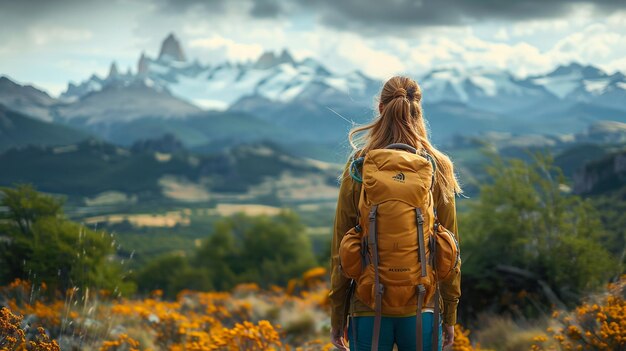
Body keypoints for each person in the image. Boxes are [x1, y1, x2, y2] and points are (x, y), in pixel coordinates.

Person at [329, 76, 462, 350]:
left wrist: (337, 315)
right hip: (423, 304)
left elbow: (340, 248)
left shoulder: (359, 165)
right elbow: (450, 250)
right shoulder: (436, 165)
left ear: (380, 108)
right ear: (418, 110)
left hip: (367, 304)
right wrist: (450, 314)